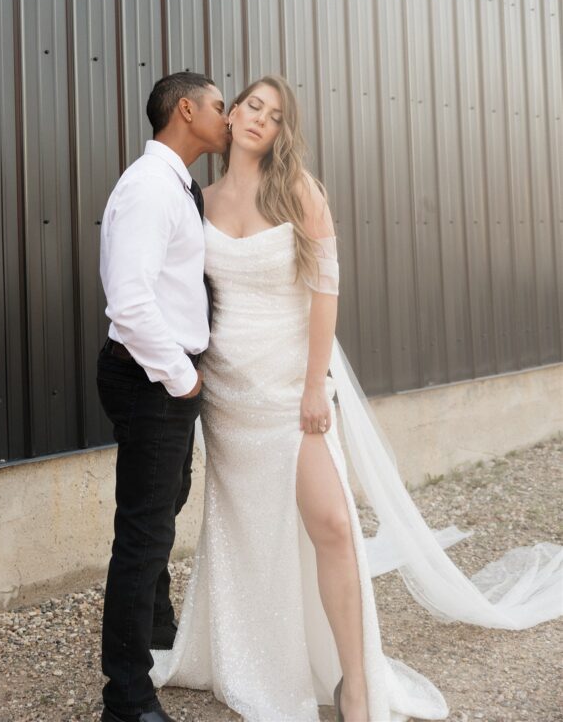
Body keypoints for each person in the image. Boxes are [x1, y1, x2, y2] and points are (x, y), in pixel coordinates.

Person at [150, 74, 563, 722]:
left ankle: (356, 684)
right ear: (228, 117)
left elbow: (325, 292)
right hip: (228, 395)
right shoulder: (197, 201)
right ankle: (257, 655)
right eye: (251, 105)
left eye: (275, 114)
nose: (260, 118)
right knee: (249, 531)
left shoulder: (298, 191)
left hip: (292, 389)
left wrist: (316, 386)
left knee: (335, 527)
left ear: (285, 130)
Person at [97, 71, 228, 722]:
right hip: (152, 377)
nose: (227, 118)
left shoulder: (180, 186)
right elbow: (130, 298)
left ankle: (157, 626)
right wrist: (183, 377)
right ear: (185, 110)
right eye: (218, 106)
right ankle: (126, 698)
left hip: (162, 374)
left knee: (162, 506)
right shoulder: (151, 188)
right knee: (143, 534)